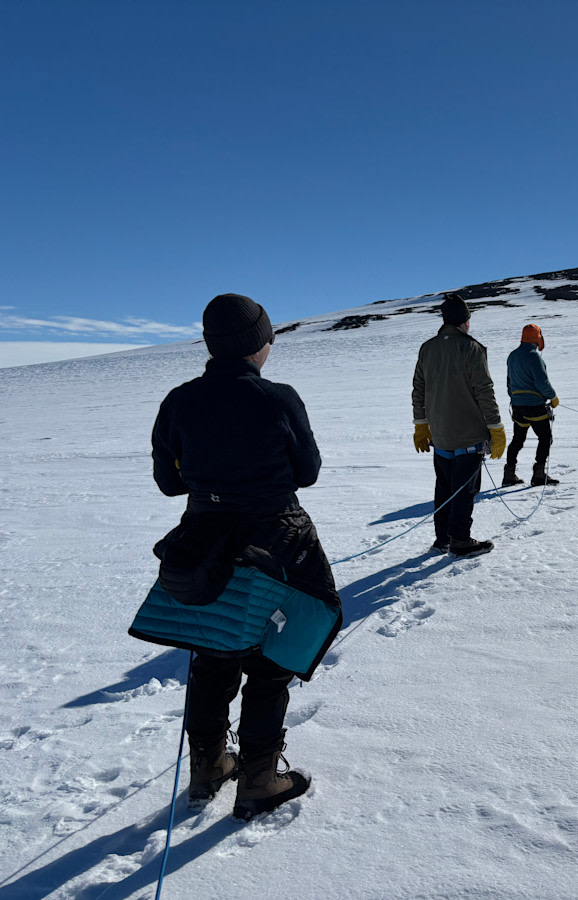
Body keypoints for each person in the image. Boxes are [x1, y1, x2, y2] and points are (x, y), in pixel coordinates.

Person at [149, 293, 342, 820]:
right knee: (272, 658)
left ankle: (209, 763)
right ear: (259, 342)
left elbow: (169, 482)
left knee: (213, 651)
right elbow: (307, 472)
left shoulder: (179, 400)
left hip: (205, 542)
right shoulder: (279, 399)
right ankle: (257, 776)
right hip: (277, 542)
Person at [412, 292, 506, 557]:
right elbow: (484, 391)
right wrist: (496, 428)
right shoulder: (471, 347)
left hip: (439, 436)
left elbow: (418, 388)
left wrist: (422, 425)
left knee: (444, 489)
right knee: (464, 491)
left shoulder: (427, 348)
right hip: (468, 436)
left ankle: (442, 538)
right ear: (464, 320)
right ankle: (460, 541)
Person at [502, 323, 560, 487]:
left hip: (517, 406)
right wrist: (553, 397)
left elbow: (509, 382)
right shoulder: (534, 357)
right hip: (534, 406)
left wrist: (515, 399)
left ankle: (509, 473)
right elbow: (542, 382)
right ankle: (539, 474)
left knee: (518, 439)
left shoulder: (512, 356)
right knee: (545, 437)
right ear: (538, 338)